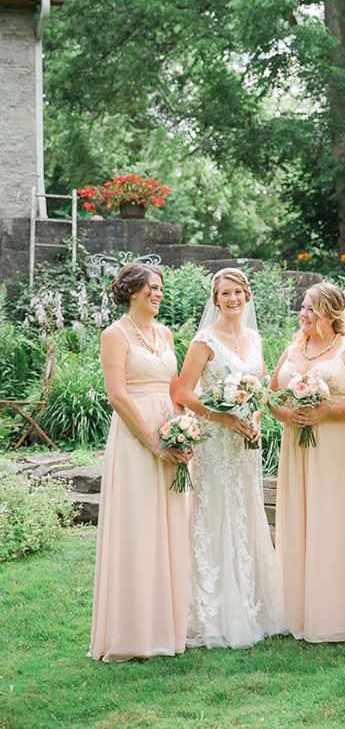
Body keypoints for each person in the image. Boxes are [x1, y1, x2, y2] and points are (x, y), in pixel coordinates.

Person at [175, 268, 287, 648]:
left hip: (244, 444)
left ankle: (250, 605)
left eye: (238, 292)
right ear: (215, 299)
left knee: (244, 510)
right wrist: (224, 418)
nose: (233, 298)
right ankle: (212, 611)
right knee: (214, 513)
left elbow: (259, 388)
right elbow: (183, 393)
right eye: (225, 293)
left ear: (248, 296)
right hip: (213, 441)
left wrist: (254, 419)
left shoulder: (254, 338)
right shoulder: (204, 341)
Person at [89, 263, 190, 662]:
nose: (158, 294)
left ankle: (167, 628)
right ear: (132, 291)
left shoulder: (164, 334)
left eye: (161, 288)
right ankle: (132, 635)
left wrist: (185, 429)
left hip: (171, 434)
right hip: (136, 441)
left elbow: (175, 387)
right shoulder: (114, 335)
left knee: (169, 526)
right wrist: (153, 444)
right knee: (138, 527)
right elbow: (117, 396)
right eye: (152, 288)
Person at [270, 282, 345, 642]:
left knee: (335, 520)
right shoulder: (291, 350)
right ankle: (300, 607)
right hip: (298, 448)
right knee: (302, 518)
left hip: (338, 449)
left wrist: (325, 412)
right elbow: (270, 396)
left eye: (311, 309)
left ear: (331, 314)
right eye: (302, 307)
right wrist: (287, 414)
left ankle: (343, 612)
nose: (303, 314)